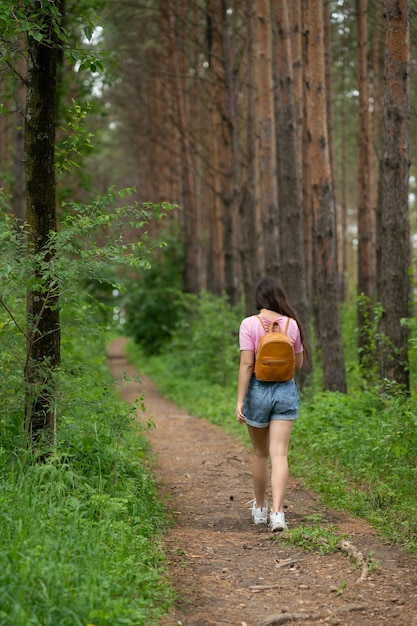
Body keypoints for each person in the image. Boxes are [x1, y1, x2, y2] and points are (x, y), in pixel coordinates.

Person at [236, 276, 308, 532]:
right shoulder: (292, 325)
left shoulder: (249, 324)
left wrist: (240, 400)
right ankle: (278, 514)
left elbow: (246, 364)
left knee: (259, 453)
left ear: (259, 299)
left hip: (257, 389)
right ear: (279, 297)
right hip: (285, 390)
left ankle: (259, 508)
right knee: (280, 454)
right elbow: (297, 365)